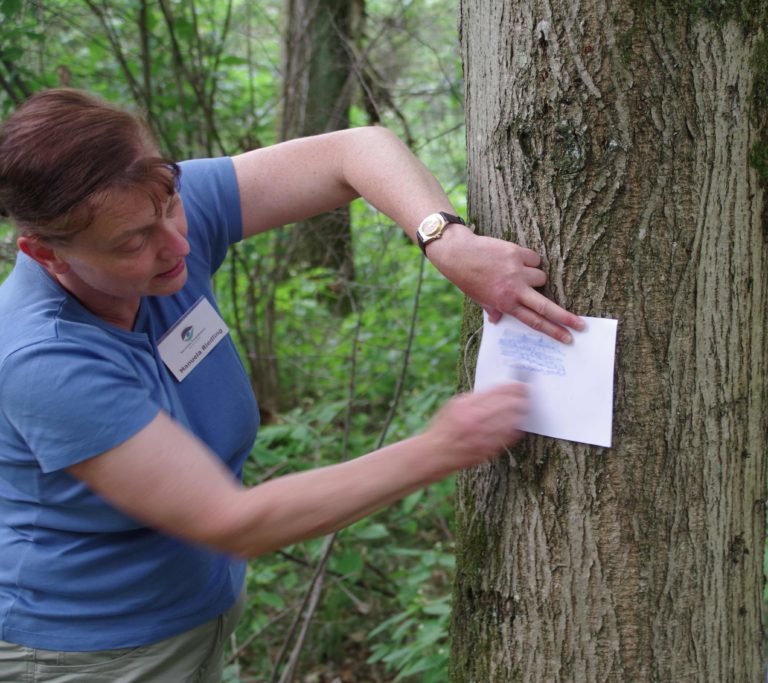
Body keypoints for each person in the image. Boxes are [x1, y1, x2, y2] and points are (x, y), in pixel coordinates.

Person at [0, 88, 584, 682]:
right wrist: (442, 447)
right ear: (46, 254)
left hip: (194, 613)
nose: (178, 244)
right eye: (132, 243)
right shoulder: (44, 359)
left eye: (172, 204)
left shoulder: (147, 209)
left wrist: (447, 241)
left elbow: (354, 150)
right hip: (84, 653)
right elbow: (231, 521)